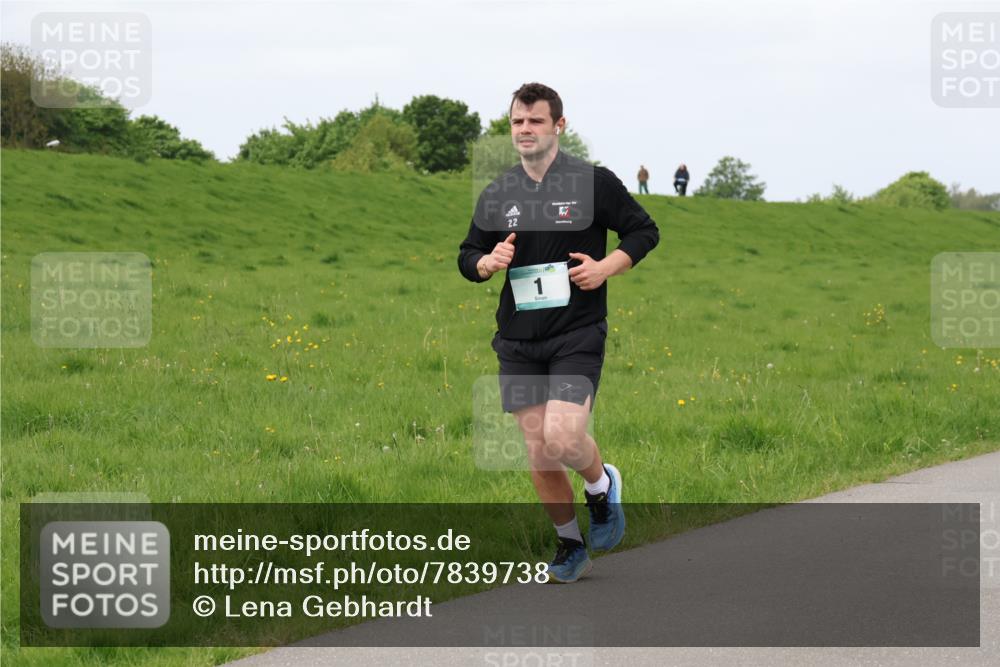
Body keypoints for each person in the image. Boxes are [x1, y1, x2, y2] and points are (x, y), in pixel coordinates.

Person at [457, 82, 659, 583]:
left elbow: (643, 231)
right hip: (519, 341)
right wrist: (486, 262)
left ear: (559, 125)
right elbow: (468, 254)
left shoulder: (593, 183)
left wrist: (606, 267)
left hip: (576, 333)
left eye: (536, 121)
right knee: (539, 451)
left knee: (564, 436)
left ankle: (600, 485)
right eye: (517, 122)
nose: (525, 130)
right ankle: (570, 545)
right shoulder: (498, 192)